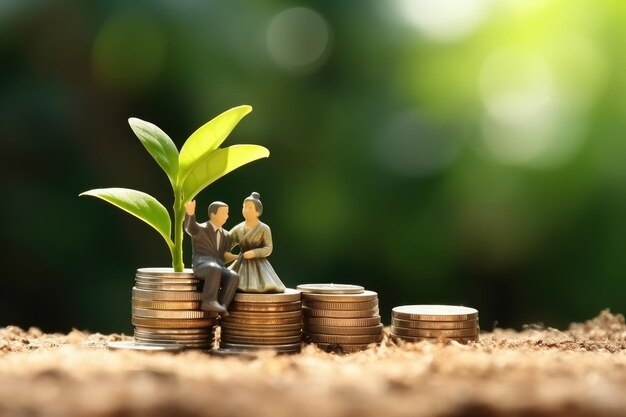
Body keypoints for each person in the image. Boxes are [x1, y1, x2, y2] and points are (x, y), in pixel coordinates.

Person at [184, 200, 239, 314]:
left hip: (218, 265)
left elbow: (224, 256)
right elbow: (190, 228)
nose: (227, 216)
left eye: (227, 213)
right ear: (213, 214)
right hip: (202, 264)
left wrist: (237, 257)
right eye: (223, 213)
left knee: (233, 276)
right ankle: (209, 301)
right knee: (214, 268)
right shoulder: (201, 229)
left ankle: (222, 304)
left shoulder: (226, 235)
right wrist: (190, 214)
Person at [229, 192, 286, 293]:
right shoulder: (238, 229)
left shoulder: (264, 228)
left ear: (258, 212)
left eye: (250, 207)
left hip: (260, 265)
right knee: (229, 282)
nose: (246, 210)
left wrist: (254, 253)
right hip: (241, 263)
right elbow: (226, 243)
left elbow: (268, 248)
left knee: (264, 286)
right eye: (244, 207)